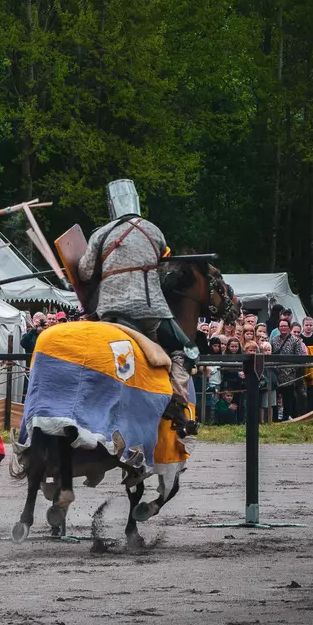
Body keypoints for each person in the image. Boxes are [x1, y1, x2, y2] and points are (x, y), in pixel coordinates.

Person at [77, 179, 203, 434]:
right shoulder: (154, 231)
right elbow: (161, 264)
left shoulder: (101, 233)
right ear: (136, 202)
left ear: (111, 206)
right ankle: (175, 396)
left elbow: (85, 272)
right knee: (188, 349)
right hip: (151, 312)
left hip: (111, 312)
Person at [270, 318, 304, 420]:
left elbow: (299, 357)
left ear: (289, 327)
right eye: (281, 326)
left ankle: (286, 417)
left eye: (285, 326)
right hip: (276, 374)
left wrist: (292, 369)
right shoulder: (274, 340)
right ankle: (275, 418)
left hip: (289, 375)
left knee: (287, 398)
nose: (283, 328)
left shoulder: (295, 341)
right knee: (275, 398)